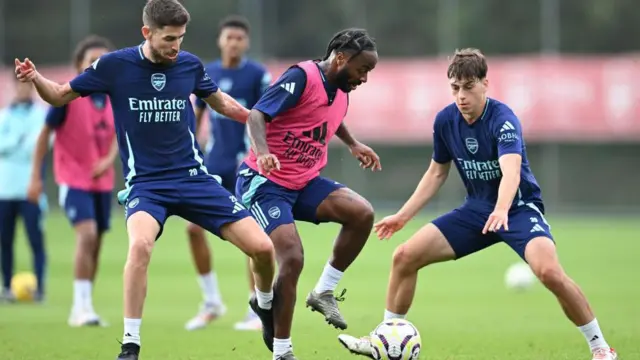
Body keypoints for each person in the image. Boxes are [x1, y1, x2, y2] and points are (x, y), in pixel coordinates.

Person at [14, 1, 276, 359]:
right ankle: (131, 343)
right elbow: (59, 96)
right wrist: (35, 79)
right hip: (147, 186)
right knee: (140, 247)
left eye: (181, 38)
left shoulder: (189, 64)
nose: (176, 46)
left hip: (194, 179)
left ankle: (263, 307)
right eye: (169, 38)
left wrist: (253, 118)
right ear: (147, 32)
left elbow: (220, 103)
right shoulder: (114, 66)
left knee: (262, 249)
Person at [336, 48, 618, 360]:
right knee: (404, 256)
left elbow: (511, 171)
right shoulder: (445, 121)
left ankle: (601, 348)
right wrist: (403, 216)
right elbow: (436, 173)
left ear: (485, 84)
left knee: (549, 272)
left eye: (468, 87)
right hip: (477, 210)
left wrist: (501, 209)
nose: (461, 96)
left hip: (518, 210)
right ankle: (386, 340)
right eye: (455, 88)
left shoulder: (503, 119)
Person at [239, 28, 381, 360]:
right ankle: (282, 352)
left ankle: (323, 291)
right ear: (341, 58)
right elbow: (258, 114)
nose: (364, 78)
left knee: (361, 213)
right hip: (266, 183)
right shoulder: (301, 76)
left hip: (303, 182)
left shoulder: (342, 90)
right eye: (362, 69)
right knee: (292, 257)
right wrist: (262, 152)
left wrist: (353, 143)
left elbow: (330, 116)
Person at [184, 15, 271, 332]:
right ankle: (211, 301)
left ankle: (254, 306)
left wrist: (263, 152)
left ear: (246, 42)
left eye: (239, 38)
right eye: (229, 37)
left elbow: (267, 115)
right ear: (220, 41)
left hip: (246, 165)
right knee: (193, 230)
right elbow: (196, 114)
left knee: (252, 237)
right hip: (214, 164)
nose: (233, 42)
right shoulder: (208, 73)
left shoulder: (257, 74)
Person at [29, 35, 117, 327]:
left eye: (103, 60)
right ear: (80, 65)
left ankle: (86, 305)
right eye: (91, 60)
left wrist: (107, 160)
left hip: (103, 183)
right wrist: (36, 177)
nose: (97, 65)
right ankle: (79, 308)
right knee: (87, 235)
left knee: (97, 243)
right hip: (73, 179)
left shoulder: (115, 98)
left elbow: (121, 134)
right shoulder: (67, 96)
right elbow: (44, 135)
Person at [0, 77, 47, 302]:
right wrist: (22, 139)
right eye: (18, 85)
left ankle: (40, 288)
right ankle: (7, 287)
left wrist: (13, 143)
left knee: (36, 240)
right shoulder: (4, 115)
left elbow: (42, 143)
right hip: (5, 190)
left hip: (31, 189)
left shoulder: (40, 114)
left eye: (26, 86)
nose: (22, 89)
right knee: (5, 241)